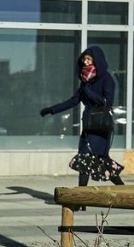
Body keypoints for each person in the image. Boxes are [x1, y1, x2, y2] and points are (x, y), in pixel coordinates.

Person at [40, 45, 123, 189]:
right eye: (84, 59)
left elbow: (107, 102)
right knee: (99, 162)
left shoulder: (106, 79)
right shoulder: (86, 81)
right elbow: (73, 101)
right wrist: (51, 110)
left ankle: (81, 198)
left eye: (89, 59)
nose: (86, 62)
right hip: (89, 126)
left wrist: (90, 93)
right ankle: (122, 191)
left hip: (101, 126)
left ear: (96, 60)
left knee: (85, 159)